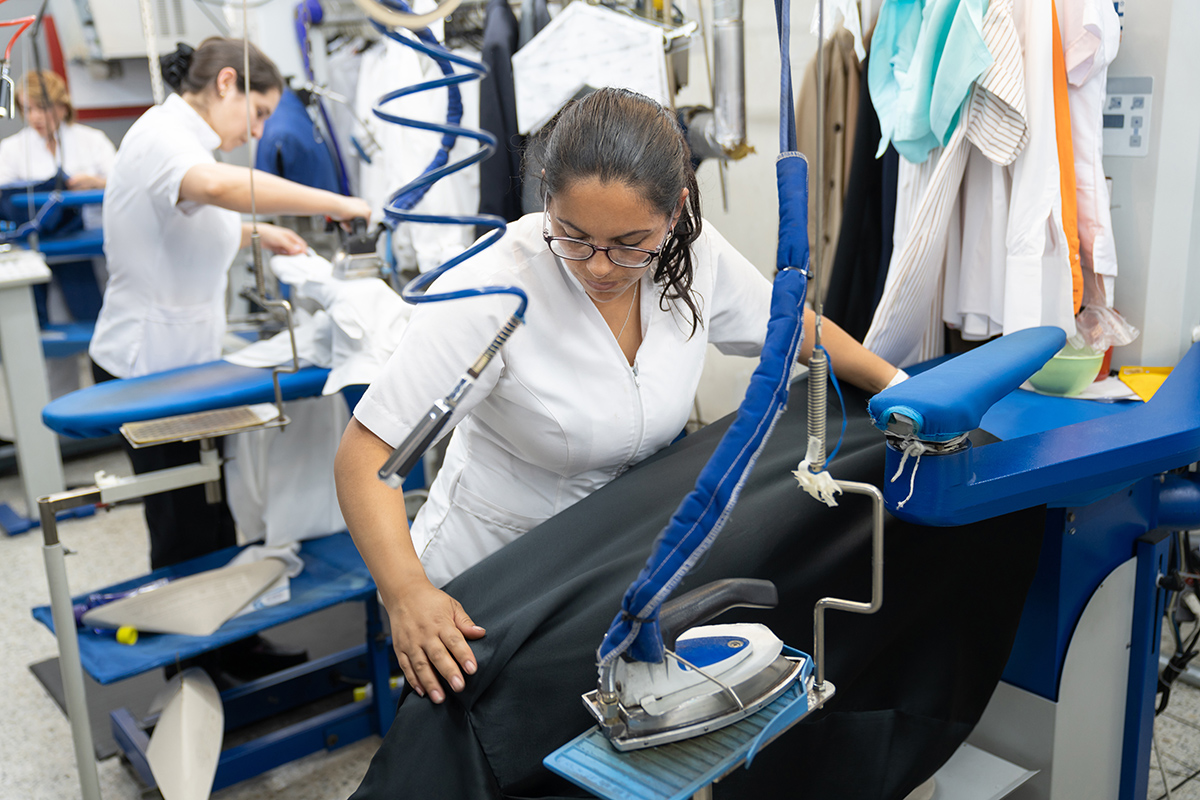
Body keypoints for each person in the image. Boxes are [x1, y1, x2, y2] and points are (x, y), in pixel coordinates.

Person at [334, 87, 903, 706]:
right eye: (573, 236)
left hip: (615, 564)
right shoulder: (492, 292)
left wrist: (897, 385)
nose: (601, 267)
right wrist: (406, 593)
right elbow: (368, 460)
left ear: (676, 211)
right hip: (493, 581)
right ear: (545, 197)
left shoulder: (695, 253)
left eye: (631, 243)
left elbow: (791, 325)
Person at [88, 37, 371, 571]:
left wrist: (257, 233)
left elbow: (179, 226)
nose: (259, 130)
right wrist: (339, 201)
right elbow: (216, 188)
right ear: (226, 83)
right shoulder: (161, 135)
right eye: (259, 111)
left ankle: (232, 643)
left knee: (213, 514)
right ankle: (192, 654)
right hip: (142, 364)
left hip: (183, 363)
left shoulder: (188, 144)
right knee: (182, 521)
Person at [0, 70, 116, 327]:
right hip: (41, 251)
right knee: (54, 327)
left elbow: (125, 183)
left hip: (94, 248)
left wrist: (97, 183)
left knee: (102, 322)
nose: (35, 117)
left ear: (62, 107)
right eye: (28, 109)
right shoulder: (12, 149)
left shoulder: (92, 141)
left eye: (42, 108)